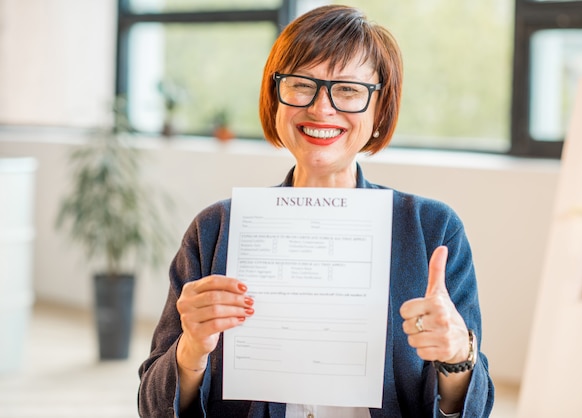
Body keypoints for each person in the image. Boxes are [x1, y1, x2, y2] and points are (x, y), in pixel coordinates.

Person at [138, 5, 494, 417]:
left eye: (347, 89)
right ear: (276, 99)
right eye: (301, 84)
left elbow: (474, 408)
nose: (322, 109)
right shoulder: (216, 229)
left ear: (380, 110)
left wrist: (457, 355)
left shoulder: (433, 231)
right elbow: (152, 407)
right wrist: (190, 350)